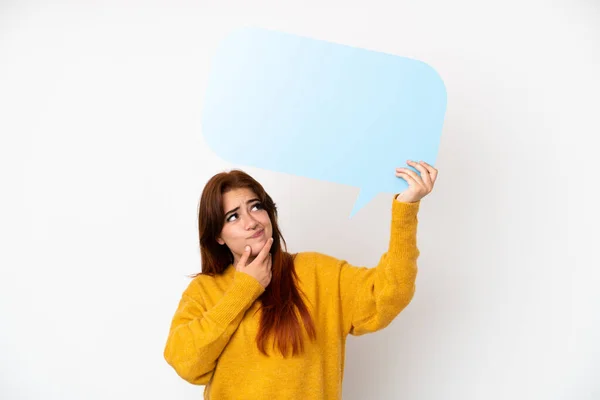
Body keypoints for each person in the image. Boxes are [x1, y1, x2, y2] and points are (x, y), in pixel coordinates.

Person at [163, 161, 438, 399]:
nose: (251, 222)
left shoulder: (316, 272)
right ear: (218, 236)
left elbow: (389, 294)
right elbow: (185, 363)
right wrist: (244, 289)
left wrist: (406, 207)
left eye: (255, 207)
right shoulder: (204, 290)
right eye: (233, 216)